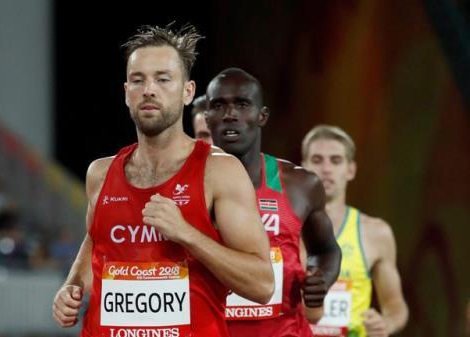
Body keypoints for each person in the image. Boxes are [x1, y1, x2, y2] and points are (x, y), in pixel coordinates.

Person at [52, 25, 275, 337]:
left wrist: (186, 234)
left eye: (163, 79)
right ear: (126, 92)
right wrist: (72, 286)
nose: (149, 89)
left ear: (187, 91)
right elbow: (96, 240)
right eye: (138, 80)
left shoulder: (219, 172)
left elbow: (262, 284)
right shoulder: (100, 174)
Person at [205, 68, 341, 337]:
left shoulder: (300, 185)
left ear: (262, 116)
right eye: (218, 105)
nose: (230, 114)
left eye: (242, 104)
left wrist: (320, 279)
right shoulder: (182, 186)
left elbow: (326, 250)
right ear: (207, 117)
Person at [301, 125, 408, 337]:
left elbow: (396, 306)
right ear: (303, 167)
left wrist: (385, 324)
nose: (326, 169)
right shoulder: (282, 227)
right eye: (317, 160)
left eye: (336, 160)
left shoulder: (375, 233)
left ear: (351, 170)